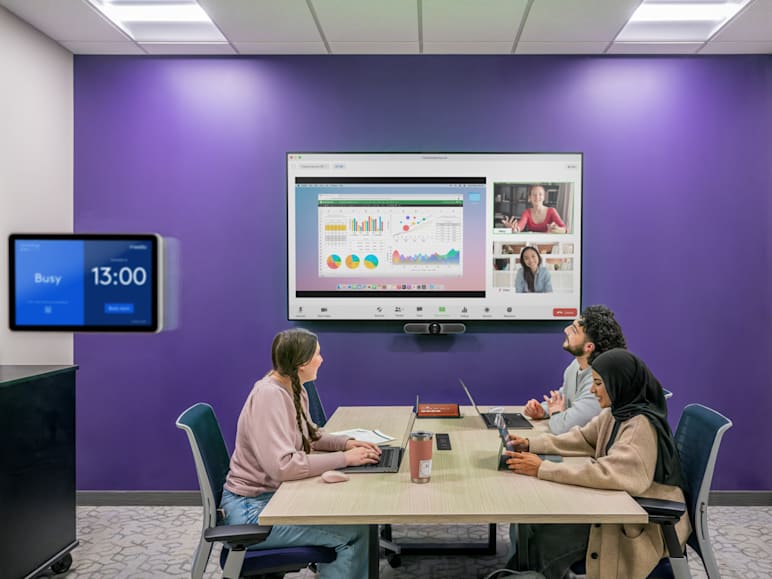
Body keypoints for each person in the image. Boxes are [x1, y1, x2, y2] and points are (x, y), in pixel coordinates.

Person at [504, 349, 690, 579]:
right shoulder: (617, 411)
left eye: (599, 384)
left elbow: (610, 473)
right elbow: (582, 438)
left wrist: (542, 469)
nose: (593, 390)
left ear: (618, 383)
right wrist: (531, 444)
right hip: (614, 508)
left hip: (639, 525)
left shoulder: (639, 426)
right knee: (532, 524)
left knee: (544, 540)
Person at [220, 328, 381, 579]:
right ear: (302, 363)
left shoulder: (293, 387)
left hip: (270, 496)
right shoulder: (269, 397)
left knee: (354, 515)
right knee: (355, 531)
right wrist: (345, 459)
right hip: (251, 511)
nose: (322, 359)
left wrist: (347, 443)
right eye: (318, 354)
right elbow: (283, 467)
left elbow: (310, 437)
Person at [523, 305, 626, 435]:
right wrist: (542, 410)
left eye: (574, 330)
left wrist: (554, 412)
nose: (566, 330)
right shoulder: (575, 366)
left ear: (588, 347)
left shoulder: (600, 383)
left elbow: (564, 428)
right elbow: (565, 400)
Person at [502, 184, 567, 233]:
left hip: (548, 245)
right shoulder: (527, 212)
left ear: (544, 197)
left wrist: (557, 229)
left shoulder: (552, 211)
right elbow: (520, 226)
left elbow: (565, 229)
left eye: (540, 194)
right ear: (530, 198)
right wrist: (514, 229)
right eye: (534, 195)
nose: (537, 197)